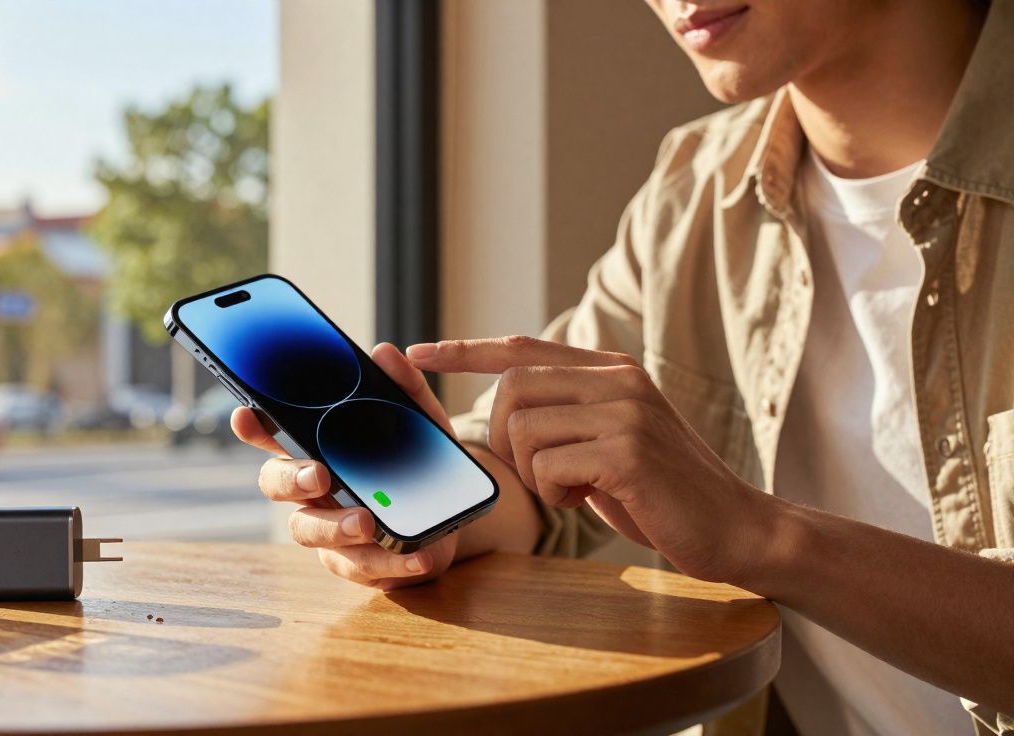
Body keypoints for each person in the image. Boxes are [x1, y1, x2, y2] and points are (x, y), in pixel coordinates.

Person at [231, 0, 1013, 733]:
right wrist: (428, 514)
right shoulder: (696, 184)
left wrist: (761, 536)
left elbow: (738, 526)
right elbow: (534, 472)